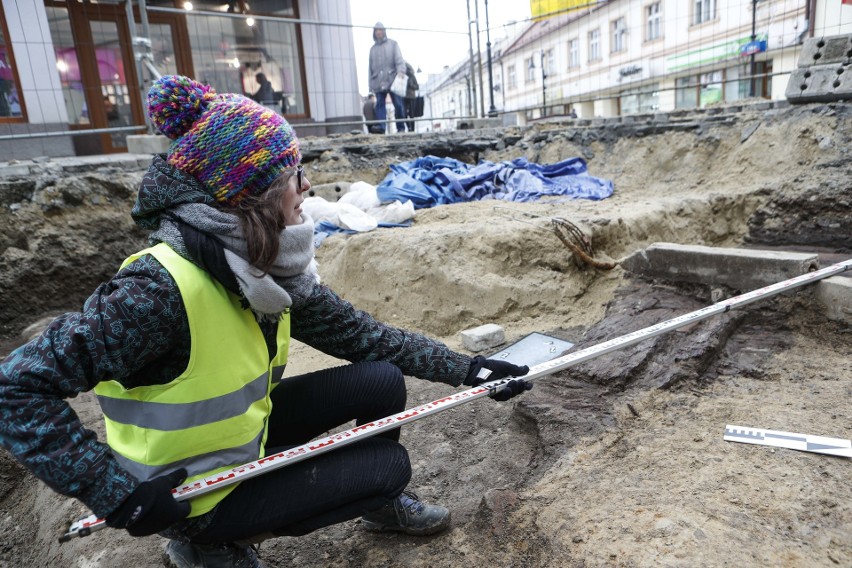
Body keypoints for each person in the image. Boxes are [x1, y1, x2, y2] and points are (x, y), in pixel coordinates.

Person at [0, 74, 531, 568]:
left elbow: (366, 338)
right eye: (293, 174)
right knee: (385, 467)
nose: (306, 186)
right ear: (251, 196)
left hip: (236, 442)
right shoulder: (157, 293)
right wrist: (116, 494)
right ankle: (207, 546)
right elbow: (17, 387)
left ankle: (374, 504)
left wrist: (471, 370)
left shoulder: (261, 269)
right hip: (183, 488)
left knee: (382, 380)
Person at [368, 22, 406, 134]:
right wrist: (371, 84)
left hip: (393, 79)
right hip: (379, 81)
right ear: (374, 33)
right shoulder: (372, 49)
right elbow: (370, 68)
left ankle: (401, 127)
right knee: (380, 104)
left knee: (398, 104)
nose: (379, 32)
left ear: (384, 31)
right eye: (376, 30)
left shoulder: (393, 44)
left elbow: (399, 60)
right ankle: (381, 127)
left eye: (380, 30)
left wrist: (400, 72)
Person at [403, 61, 419, 132]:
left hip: (411, 97)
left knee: (412, 114)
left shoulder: (412, 76)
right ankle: (409, 127)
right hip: (404, 97)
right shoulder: (402, 76)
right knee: (404, 114)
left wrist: (411, 85)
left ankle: (412, 128)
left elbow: (417, 86)